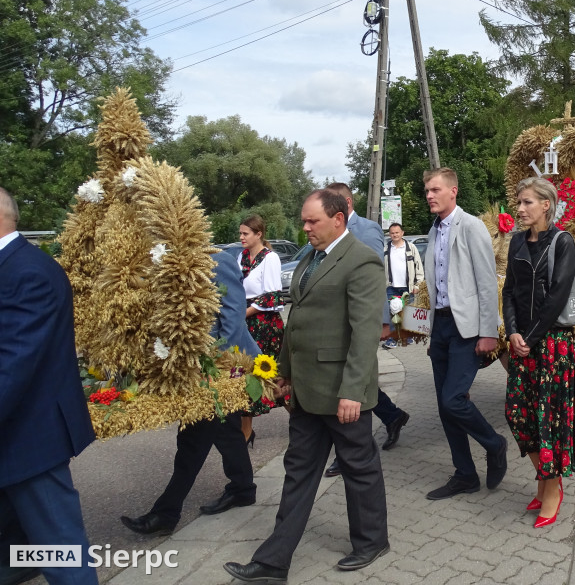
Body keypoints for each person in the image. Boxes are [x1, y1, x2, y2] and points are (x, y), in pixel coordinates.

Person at [224, 187, 389, 583]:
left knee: (358, 468)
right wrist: (282, 373)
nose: (305, 227)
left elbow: (364, 334)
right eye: (304, 220)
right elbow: (294, 324)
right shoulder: (310, 259)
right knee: (298, 470)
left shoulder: (362, 261)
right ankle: (273, 562)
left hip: (342, 391)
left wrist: (352, 391)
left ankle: (371, 541)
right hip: (305, 391)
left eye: (312, 221)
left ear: (337, 219)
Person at [121, 249, 262, 536]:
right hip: (198, 367)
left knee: (192, 439)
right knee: (227, 431)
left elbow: (233, 323)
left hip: (222, 366)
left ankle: (165, 514)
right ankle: (243, 488)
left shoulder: (217, 261)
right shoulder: (163, 263)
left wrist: (211, 367)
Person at [0, 187, 98, 585]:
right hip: (15, 432)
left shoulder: (27, 271)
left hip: (28, 437)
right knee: (17, 543)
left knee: (62, 550)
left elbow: (14, 364)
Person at [503, 178, 575, 528]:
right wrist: (512, 332)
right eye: (519, 203)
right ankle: (547, 478)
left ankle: (550, 489)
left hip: (552, 344)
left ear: (546, 205)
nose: (520, 209)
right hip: (524, 342)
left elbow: (556, 298)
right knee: (517, 414)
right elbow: (509, 290)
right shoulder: (516, 242)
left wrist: (531, 337)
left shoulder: (562, 241)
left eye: (527, 203)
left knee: (548, 419)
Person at [422, 167, 507, 500]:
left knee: (453, 399)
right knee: (445, 407)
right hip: (441, 325)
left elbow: (487, 283)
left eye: (435, 189)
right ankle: (465, 474)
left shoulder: (470, 226)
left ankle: (494, 444)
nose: (429, 195)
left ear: (453, 191)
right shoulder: (433, 231)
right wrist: (430, 331)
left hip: (467, 327)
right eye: (427, 190)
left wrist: (488, 332)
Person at [323, 184, 410, 474]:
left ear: (346, 202)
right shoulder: (328, 231)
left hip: (360, 321)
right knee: (356, 380)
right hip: (337, 323)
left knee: (350, 382)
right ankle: (392, 415)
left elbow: (376, 277)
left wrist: (384, 320)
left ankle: (347, 453)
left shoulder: (367, 229)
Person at [237, 215, 284, 441]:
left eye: (246, 233)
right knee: (245, 374)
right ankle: (246, 431)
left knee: (269, 375)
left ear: (259, 234)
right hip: (245, 321)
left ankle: (302, 419)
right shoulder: (242, 256)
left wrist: (244, 313)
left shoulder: (270, 258)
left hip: (264, 323)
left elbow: (272, 295)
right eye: (241, 233)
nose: (241, 237)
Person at [384, 222, 424, 345]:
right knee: (393, 313)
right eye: (392, 233)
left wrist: (418, 285)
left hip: (408, 287)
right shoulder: (385, 249)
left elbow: (419, 267)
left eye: (397, 232)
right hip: (391, 287)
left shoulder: (411, 248)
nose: (395, 235)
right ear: (389, 234)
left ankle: (407, 336)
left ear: (402, 233)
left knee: (407, 313)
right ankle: (393, 339)